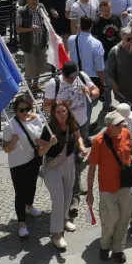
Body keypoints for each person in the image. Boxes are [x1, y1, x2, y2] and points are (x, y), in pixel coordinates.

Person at [85, 103, 132, 262]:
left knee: (124, 218)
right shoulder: (99, 142)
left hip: (124, 185)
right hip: (107, 188)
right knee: (110, 221)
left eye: (121, 123)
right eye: (117, 124)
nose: (121, 125)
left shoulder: (126, 133)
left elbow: (129, 151)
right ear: (108, 126)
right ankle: (104, 245)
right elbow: (92, 168)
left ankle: (118, 249)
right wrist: (90, 192)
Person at [37, 98, 86, 250]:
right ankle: (57, 234)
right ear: (54, 114)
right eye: (58, 112)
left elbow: (77, 135)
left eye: (63, 111)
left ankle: (64, 219)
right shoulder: (49, 128)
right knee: (58, 199)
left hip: (69, 161)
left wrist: (82, 146)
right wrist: (50, 143)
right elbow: (40, 152)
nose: (61, 114)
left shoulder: (71, 121)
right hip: (53, 166)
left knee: (68, 194)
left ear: (67, 110)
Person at [0, 93, 46, 241]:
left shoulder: (37, 119)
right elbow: (5, 148)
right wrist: (13, 141)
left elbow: (40, 138)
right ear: (15, 110)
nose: (25, 113)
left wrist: (42, 142)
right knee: (20, 192)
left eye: (27, 109)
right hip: (18, 163)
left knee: (32, 186)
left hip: (33, 159)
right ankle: (21, 223)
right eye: (21, 110)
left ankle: (29, 206)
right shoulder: (10, 126)